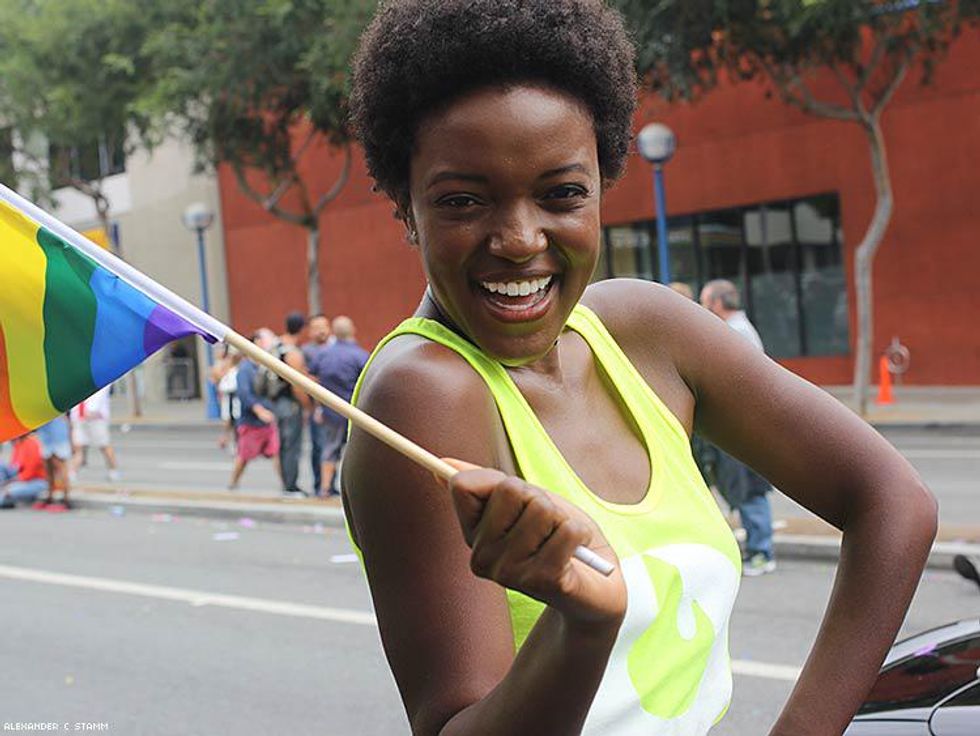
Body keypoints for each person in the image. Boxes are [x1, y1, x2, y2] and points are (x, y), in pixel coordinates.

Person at [342, 3, 937, 735]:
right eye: (463, 200)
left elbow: (892, 501)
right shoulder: (424, 394)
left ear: (602, 183)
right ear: (405, 206)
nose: (520, 239)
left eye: (561, 194)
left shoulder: (647, 331)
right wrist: (582, 628)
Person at [699, 279, 776, 575]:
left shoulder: (735, 332)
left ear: (718, 303)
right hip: (741, 426)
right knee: (740, 490)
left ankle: (761, 551)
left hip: (745, 427)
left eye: (706, 302)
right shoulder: (738, 330)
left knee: (749, 491)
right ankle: (757, 548)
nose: (704, 309)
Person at [307, 316, 369, 496]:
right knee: (354, 451)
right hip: (353, 411)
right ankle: (355, 491)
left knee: (329, 449)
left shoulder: (323, 354)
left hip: (330, 410)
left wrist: (318, 406)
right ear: (353, 330)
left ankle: (325, 488)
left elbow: (312, 380)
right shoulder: (360, 355)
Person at [228, 329, 282, 491]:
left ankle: (286, 484)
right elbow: (244, 394)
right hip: (251, 422)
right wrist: (259, 411)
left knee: (276, 453)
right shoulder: (245, 369)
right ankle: (233, 483)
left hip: (267, 420)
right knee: (244, 456)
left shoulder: (265, 366)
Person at [274, 312, 312, 495]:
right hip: (290, 403)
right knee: (292, 446)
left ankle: (286, 484)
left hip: (277, 401)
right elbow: (298, 385)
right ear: (301, 329)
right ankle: (291, 486)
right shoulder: (292, 352)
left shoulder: (277, 346)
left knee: (284, 445)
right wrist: (307, 406)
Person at [302, 314, 332, 494]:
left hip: (336, 408)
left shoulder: (336, 348)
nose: (321, 331)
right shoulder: (306, 352)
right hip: (316, 407)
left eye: (324, 326)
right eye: (316, 327)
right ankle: (319, 484)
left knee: (334, 449)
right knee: (319, 446)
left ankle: (331, 485)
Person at [69, 385, 120, 482]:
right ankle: (72, 472)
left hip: (96, 418)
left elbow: (100, 394)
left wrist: (92, 410)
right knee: (78, 446)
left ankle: (113, 471)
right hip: (79, 417)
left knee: (104, 445)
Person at [33, 414, 72, 511]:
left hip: (57, 432)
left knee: (60, 466)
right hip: (45, 433)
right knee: (48, 467)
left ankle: (66, 499)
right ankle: (50, 496)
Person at [0, 433, 49, 508]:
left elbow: (30, 472)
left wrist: (11, 482)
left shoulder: (31, 444)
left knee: (9, 491)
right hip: (21, 478)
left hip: (36, 481)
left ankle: (5, 498)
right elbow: (13, 466)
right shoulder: (18, 444)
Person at [210, 344, 243, 453]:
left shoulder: (235, 362)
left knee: (235, 418)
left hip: (235, 393)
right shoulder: (222, 363)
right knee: (229, 419)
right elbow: (215, 377)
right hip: (227, 393)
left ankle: (231, 440)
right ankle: (228, 439)